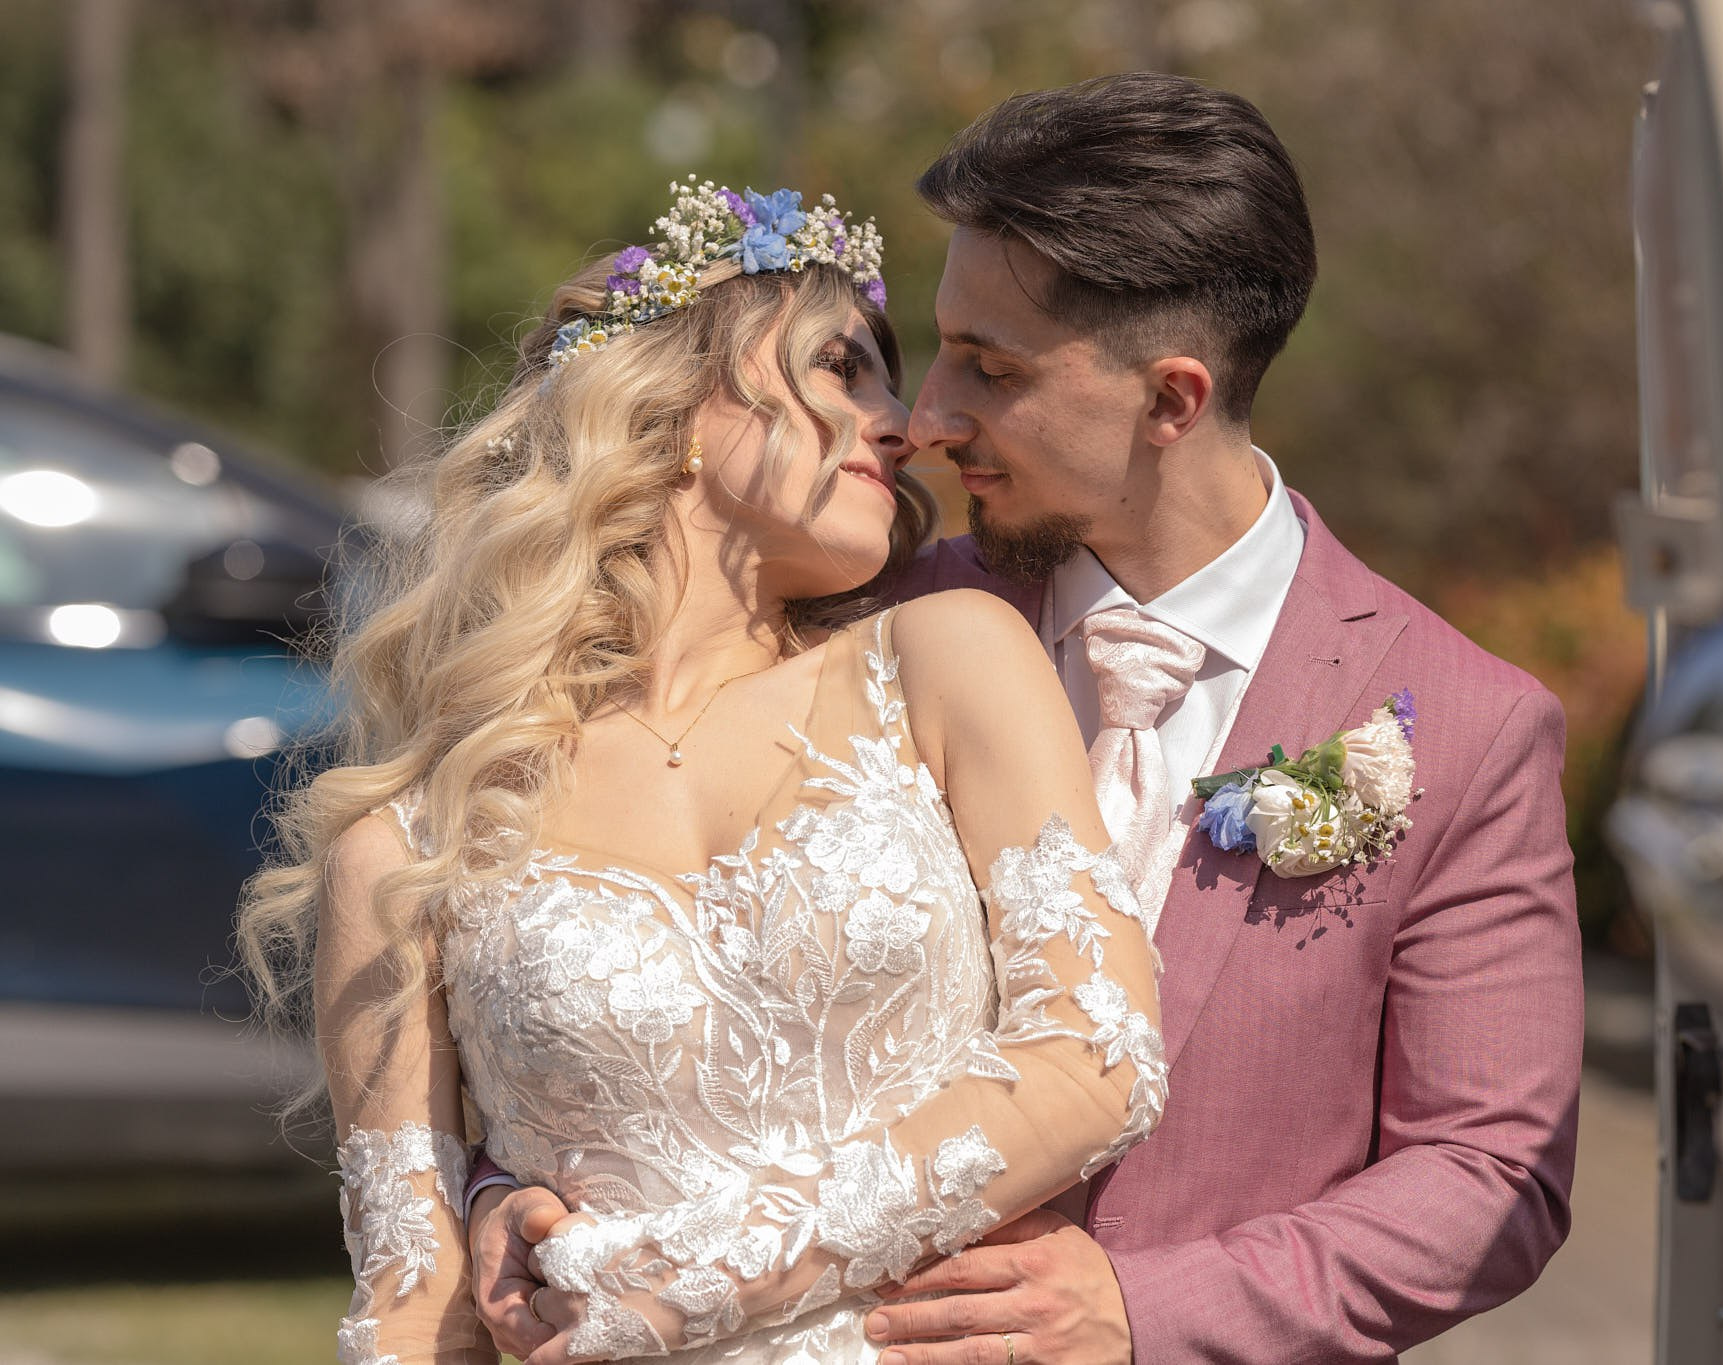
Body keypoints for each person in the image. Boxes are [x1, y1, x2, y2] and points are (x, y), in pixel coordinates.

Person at [472, 73, 1585, 1364]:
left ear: (1171, 399)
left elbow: (1493, 1172)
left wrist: (1146, 1312)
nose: (924, 419)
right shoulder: (865, 626)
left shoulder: (1467, 728)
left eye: (989, 368)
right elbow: (628, 925)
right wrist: (514, 1181)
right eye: (939, 344)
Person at [237, 177, 1168, 1365]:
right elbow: (408, 1310)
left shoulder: (947, 658)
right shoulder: (414, 843)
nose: (903, 424)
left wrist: (709, 1279)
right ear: (677, 403)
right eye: (843, 368)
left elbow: (1095, 1054)